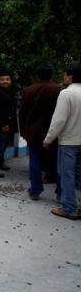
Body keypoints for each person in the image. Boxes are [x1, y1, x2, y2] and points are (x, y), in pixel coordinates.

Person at [43, 62, 81, 220]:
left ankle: (68, 208)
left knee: (67, 175)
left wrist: (48, 138)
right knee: (79, 175)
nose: (63, 77)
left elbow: (59, 120)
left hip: (69, 142)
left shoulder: (66, 94)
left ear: (70, 76)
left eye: (65, 74)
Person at [19, 65, 62, 200]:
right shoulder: (59, 90)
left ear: (37, 76)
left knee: (35, 160)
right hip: (54, 132)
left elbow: (23, 113)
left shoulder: (29, 90)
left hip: (34, 131)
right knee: (57, 162)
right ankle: (61, 192)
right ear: (51, 75)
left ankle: (35, 190)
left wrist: (23, 131)